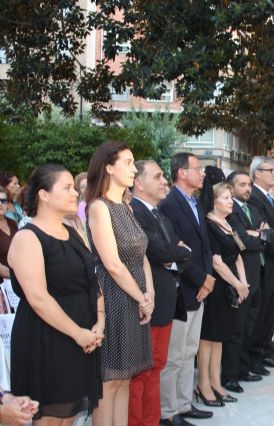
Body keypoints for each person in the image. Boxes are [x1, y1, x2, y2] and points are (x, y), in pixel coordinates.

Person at [8, 164, 103, 424]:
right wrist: (79, 333)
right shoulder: (27, 238)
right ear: (44, 195)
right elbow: (38, 298)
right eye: (67, 187)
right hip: (46, 340)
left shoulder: (73, 233)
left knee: (69, 417)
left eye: (74, 187)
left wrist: (99, 323)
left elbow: (93, 282)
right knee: (50, 418)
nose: (75, 193)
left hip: (82, 338)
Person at [85, 142, 154, 426]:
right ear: (109, 167)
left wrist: (149, 294)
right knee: (110, 380)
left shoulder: (126, 206)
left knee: (125, 378)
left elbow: (142, 256)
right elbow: (112, 264)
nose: (134, 169)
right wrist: (141, 297)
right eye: (128, 162)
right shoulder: (99, 207)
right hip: (113, 298)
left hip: (136, 296)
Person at [129, 160, 193, 426]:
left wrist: (174, 253)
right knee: (141, 372)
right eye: (157, 177)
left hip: (165, 303)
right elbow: (159, 251)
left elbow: (179, 251)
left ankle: (152, 421)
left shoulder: (159, 214)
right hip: (146, 304)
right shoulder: (134, 212)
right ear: (139, 183)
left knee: (157, 366)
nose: (164, 182)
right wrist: (174, 252)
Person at [158, 153, 214, 425]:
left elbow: (204, 245)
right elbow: (176, 247)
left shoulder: (195, 202)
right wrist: (200, 278)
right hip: (183, 288)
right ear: (181, 172)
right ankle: (169, 412)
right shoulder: (169, 205)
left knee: (189, 351)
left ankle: (184, 403)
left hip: (201, 287)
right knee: (174, 355)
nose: (202, 173)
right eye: (197, 168)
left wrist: (209, 277)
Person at [198, 182, 250, 404]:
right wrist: (237, 285)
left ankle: (216, 382)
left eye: (231, 197)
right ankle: (203, 384)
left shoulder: (227, 224)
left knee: (220, 337)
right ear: (214, 201)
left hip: (231, 284)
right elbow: (217, 262)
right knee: (208, 337)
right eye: (226, 198)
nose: (231, 202)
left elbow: (238, 255)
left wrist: (244, 282)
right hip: (217, 287)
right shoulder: (209, 224)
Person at [226, 171, 268, 385]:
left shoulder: (253, 208)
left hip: (256, 273)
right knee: (237, 327)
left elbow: (271, 235)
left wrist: (257, 235)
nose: (248, 188)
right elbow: (242, 242)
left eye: (249, 184)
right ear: (231, 188)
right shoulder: (229, 210)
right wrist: (259, 236)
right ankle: (231, 375)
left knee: (250, 324)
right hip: (239, 277)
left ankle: (244, 368)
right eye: (242, 185)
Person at [247, 156, 274, 376]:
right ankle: (256, 355)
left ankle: (264, 348)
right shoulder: (254, 197)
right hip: (268, 261)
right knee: (263, 310)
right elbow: (264, 231)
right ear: (257, 173)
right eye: (270, 170)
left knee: (272, 307)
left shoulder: (267, 197)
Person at [0, 186, 18, 281]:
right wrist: (21, 277)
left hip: (18, 280)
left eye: (3, 201)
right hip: (3, 286)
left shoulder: (12, 223)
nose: (0, 204)